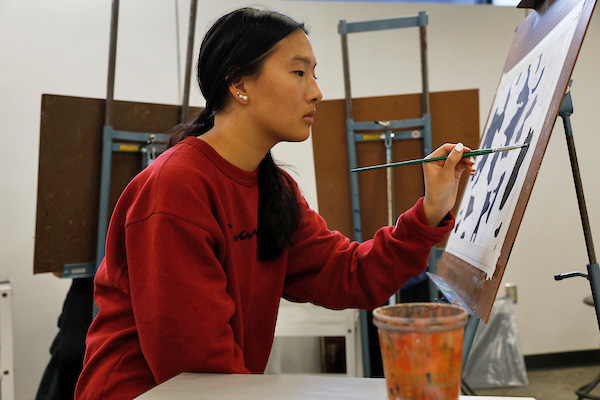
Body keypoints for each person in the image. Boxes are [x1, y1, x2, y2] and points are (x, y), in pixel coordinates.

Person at [75, 7, 474, 399]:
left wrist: (431, 210)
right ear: (238, 83)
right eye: (299, 72)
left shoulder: (273, 187)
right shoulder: (178, 187)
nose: (316, 91)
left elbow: (349, 274)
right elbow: (195, 368)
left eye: (314, 74)